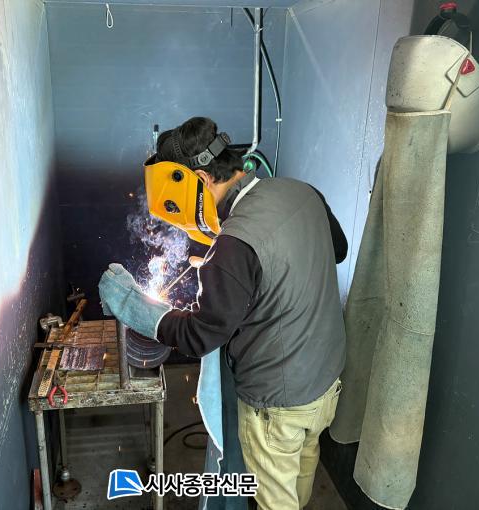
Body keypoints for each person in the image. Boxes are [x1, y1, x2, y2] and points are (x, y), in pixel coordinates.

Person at [100, 117, 347, 509]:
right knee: (300, 479)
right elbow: (336, 249)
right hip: (326, 382)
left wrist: (136, 306)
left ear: (200, 179)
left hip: (278, 406)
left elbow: (201, 335)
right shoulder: (300, 191)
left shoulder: (233, 246)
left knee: (276, 502)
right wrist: (244, 276)